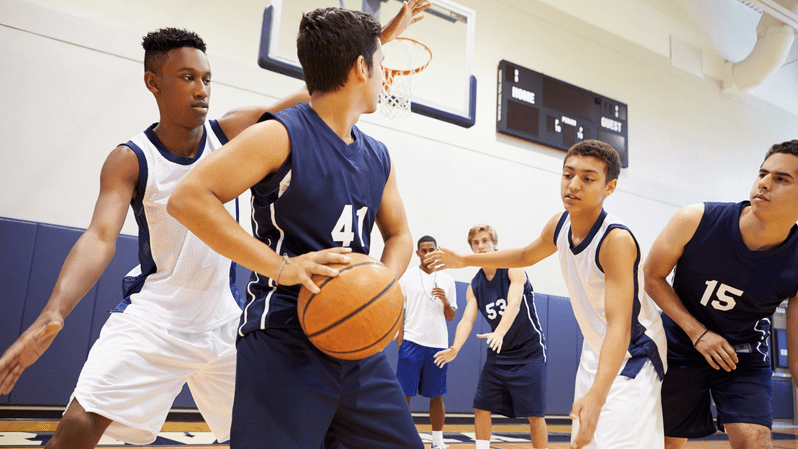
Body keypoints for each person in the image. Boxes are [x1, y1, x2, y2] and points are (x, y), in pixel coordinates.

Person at [0, 2, 427, 445]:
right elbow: (99, 237)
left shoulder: (232, 132)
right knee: (77, 429)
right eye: (187, 77)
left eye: (206, 79)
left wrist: (376, 42)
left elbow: (324, 91)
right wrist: (54, 311)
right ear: (153, 82)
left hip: (224, 320)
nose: (201, 89)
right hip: (157, 318)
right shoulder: (132, 158)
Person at [167, 6, 426, 449]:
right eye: (382, 62)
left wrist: (378, 281)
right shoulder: (279, 135)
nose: (386, 75)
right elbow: (188, 198)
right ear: (361, 67)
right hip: (284, 335)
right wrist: (282, 267)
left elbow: (400, 235)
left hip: (357, 342)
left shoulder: (379, 156)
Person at [426, 140, 667, 449]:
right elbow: (525, 255)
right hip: (596, 347)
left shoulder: (615, 241)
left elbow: (619, 326)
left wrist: (597, 395)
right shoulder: (560, 224)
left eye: (588, 178)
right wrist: (465, 260)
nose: (573, 185)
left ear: (610, 187)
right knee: (587, 443)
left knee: (618, 442)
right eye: (568, 175)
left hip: (634, 351)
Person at [643, 140, 798, 449]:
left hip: (743, 355)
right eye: (763, 173)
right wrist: (698, 333)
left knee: (755, 442)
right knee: (667, 443)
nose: (764, 183)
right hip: (680, 344)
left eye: (781, 179)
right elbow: (652, 276)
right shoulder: (695, 219)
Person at [433, 224, 547, 449]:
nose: (481, 246)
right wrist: (455, 348)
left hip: (529, 352)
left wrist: (500, 332)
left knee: (535, 413)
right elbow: (467, 319)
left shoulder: (514, 267)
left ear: (495, 243)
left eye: (485, 241)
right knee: (481, 406)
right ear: (471, 248)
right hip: (499, 353)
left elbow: (514, 303)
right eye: (475, 243)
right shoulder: (475, 285)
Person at [396, 235, 458, 449]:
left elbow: (451, 316)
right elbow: (400, 310)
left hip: (438, 346)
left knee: (437, 396)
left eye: (432, 250)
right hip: (411, 342)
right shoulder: (407, 278)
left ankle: (437, 442)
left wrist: (445, 301)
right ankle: (402, 440)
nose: (428, 254)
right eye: (424, 250)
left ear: (437, 251)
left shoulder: (448, 280)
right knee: (404, 394)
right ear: (418, 253)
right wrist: (400, 339)